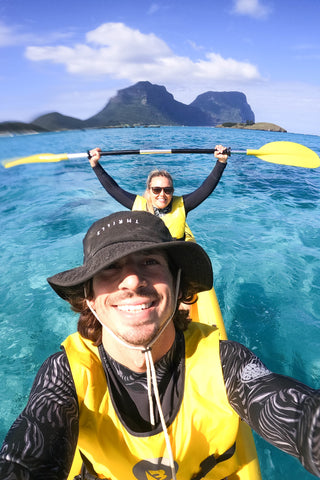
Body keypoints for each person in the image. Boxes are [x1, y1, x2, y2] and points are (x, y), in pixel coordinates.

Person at [0, 210, 319, 480]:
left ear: (178, 285)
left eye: (150, 261)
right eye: (110, 267)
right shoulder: (66, 373)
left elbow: (303, 416)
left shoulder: (226, 363)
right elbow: (27, 455)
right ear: (89, 298)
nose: (133, 281)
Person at [88, 145, 229, 240]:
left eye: (167, 190)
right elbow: (113, 189)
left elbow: (205, 188)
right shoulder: (137, 204)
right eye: (156, 189)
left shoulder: (182, 205)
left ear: (172, 192)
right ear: (149, 190)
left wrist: (221, 162)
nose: (162, 194)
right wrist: (95, 164)